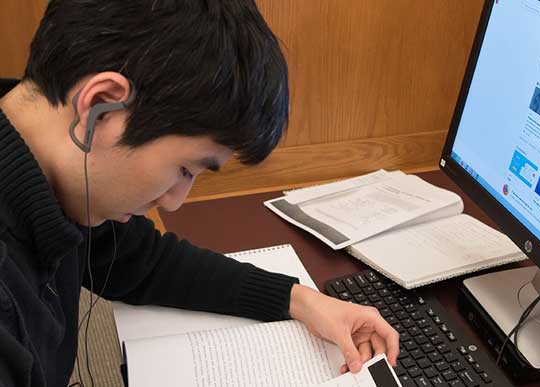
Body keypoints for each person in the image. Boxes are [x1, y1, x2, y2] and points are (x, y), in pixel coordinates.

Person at [0, 1, 398, 386]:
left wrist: (300, 300)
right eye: (185, 169)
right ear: (103, 104)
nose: (174, 200)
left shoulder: (53, 177)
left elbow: (140, 261)